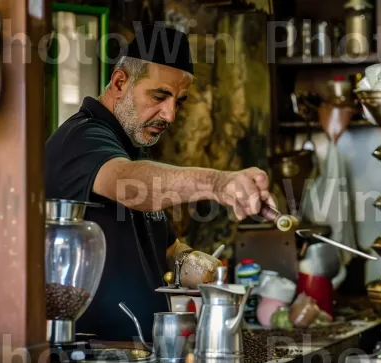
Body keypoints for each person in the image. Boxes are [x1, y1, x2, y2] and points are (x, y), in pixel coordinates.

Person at [45, 24, 273, 341]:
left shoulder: (132, 151)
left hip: (139, 356)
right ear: (120, 82)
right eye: (160, 96)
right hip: (84, 358)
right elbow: (130, 185)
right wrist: (219, 184)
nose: (170, 115)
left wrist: (197, 265)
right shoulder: (83, 138)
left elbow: (167, 248)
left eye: (179, 101)